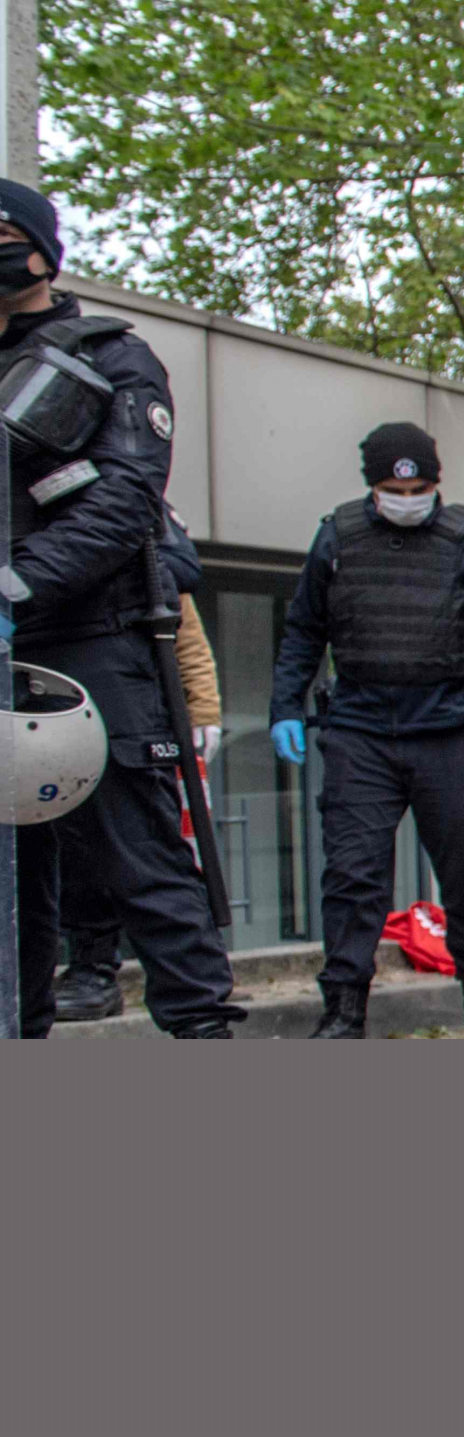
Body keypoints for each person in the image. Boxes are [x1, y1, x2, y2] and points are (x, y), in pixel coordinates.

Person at [3, 184, 246, 1038]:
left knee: (141, 863)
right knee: (13, 887)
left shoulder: (113, 357)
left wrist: (14, 587)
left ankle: (203, 1037)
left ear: (41, 250)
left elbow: (123, 505)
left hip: (88, 644)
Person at [270, 423, 464, 1038]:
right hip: (359, 733)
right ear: (372, 486)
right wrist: (284, 706)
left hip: (449, 733)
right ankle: (344, 1010)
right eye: (393, 487)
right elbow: (302, 631)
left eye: (420, 486)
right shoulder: (337, 537)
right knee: (351, 877)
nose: (407, 497)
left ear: (436, 483)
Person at [55, 503, 223, 1021]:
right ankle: (92, 968)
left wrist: (203, 709)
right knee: (76, 858)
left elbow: (183, 630)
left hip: (140, 712)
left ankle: (196, 996)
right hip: (62, 705)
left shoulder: (136, 518)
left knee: (155, 857)